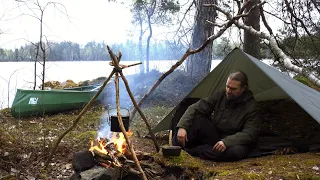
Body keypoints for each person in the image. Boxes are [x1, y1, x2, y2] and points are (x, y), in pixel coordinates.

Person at [173, 70, 261, 161]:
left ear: (243, 88)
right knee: (198, 122)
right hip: (215, 135)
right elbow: (196, 108)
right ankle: (176, 147)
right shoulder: (221, 95)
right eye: (227, 86)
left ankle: (196, 151)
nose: (228, 91)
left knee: (236, 152)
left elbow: (249, 134)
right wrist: (182, 127)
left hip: (233, 141)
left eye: (233, 89)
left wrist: (226, 142)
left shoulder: (252, 107)